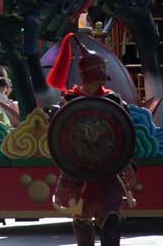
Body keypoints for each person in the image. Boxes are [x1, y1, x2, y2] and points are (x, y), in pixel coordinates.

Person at [48, 34, 135, 246]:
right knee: (81, 218)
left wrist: (128, 163)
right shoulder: (69, 104)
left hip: (108, 170)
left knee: (111, 217)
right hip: (78, 170)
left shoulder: (112, 101)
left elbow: (123, 135)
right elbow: (62, 140)